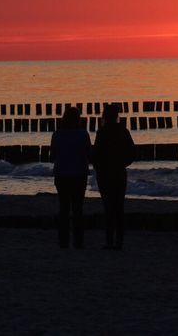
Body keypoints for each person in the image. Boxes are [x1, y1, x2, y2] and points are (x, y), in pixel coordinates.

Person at [92, 103, 137, 250]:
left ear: (104, 116)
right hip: (118, 172)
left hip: (105, 173)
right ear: (117, 116)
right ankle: (119, 241)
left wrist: (98, 168)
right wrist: (123, 163)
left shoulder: (102, 132)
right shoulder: (123, 131)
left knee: (108, 207)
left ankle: (109, 240)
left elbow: (96, 155)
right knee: (119, 207)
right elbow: (132, 153)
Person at [50, 106, 91, 249]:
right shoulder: (83, 134)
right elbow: (89, 154)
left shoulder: (57, 134)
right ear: (78, 119)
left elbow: (52, 156)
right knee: (78, 208)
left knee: (64, 208)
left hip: (61, 174)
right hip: (79, 175)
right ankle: (78, 241)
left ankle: (63, 241)